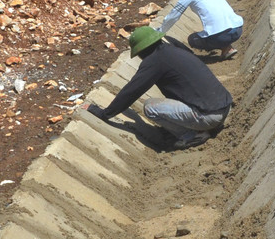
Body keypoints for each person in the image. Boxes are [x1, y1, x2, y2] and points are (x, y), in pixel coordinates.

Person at [87, 26, 233, 150]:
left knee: (150, 107)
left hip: (210, 115)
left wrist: (105, 114)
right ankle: (201, 126)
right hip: (223, 105)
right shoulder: (170, 48)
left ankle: (193, 135)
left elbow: (132, 91)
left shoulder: (154, 61)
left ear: (142, 51)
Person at [157, 0, 244, 59]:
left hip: (221, 36)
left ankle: (224, 47)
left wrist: (160, 31)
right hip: (238, 29)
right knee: (218, 29)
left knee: (192, 39)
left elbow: (174, 15)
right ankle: (227, 48)